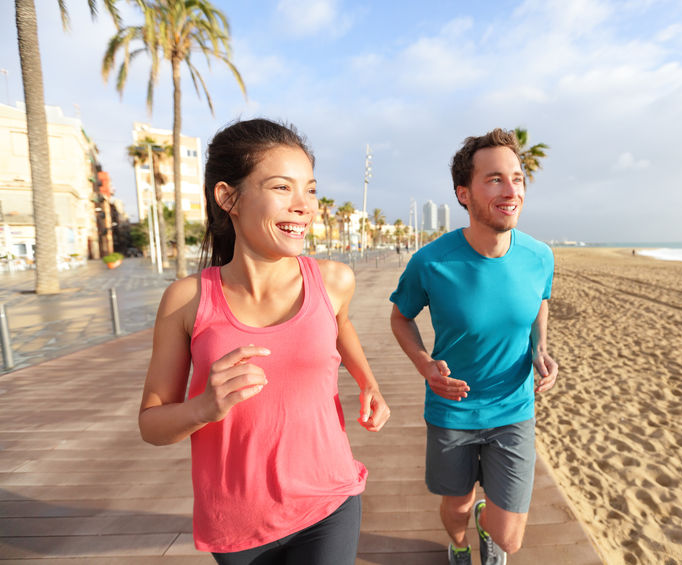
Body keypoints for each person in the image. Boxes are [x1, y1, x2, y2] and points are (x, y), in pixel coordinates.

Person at [138, 118, 390, 564]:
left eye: (310, 189)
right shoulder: (187, 301)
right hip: (234, 521)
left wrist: (367, 381)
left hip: (328, 499)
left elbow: (341, 325)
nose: (304, 206)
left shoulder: (333, 280)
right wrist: (203, 408)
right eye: (281, 188)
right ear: (227, 197)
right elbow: (151, 425)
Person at [389, 128, 557, 565]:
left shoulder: (539, 256)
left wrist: (540, 350)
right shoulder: (431, 262)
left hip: (513, 409)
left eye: (517, 179)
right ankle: (460, 544)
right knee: (456, 507)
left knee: (510, 539)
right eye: (495, 179)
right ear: (464, 193)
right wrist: (425, 364)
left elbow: (540, 303)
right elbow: (400, 316)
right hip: (452, 410)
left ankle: (487, 525)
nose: (511, 190)